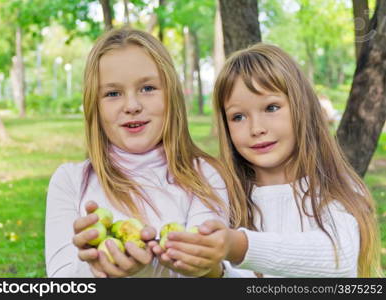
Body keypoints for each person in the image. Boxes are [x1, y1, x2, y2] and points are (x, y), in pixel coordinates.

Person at [155, 43, 381, 277]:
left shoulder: (333, 189)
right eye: (238, 117)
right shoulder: (228, 197)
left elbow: (339, 259)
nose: (256, 128)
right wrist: (213, 271)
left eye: (271, 107)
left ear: (302, 107)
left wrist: (239, 246)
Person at [45, 28, 244, 278]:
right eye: (113, 93)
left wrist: (205, 267)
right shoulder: (71, 182)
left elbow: (203, 268)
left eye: (148, 88)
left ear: (170, 95)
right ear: (94, 106)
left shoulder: (204, 176)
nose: (132, 106)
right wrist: (94, 266)